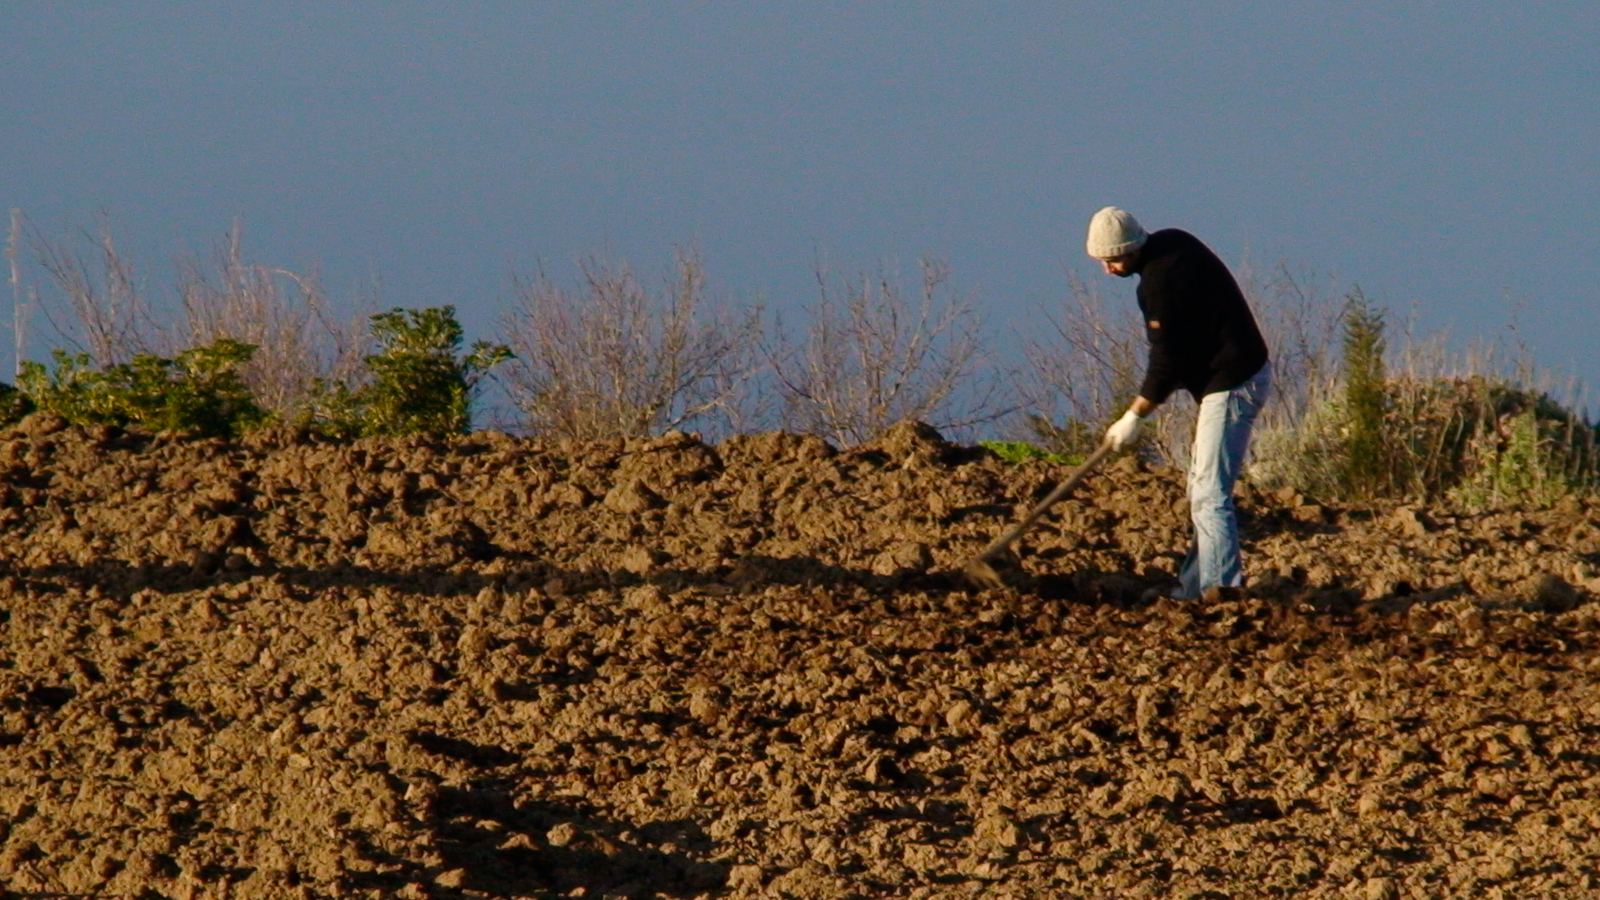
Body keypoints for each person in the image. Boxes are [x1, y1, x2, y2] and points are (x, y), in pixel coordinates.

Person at [1085, 206, 1271, 599]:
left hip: (1234, 383)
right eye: (1102, 261)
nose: (1108, 270)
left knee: (1209, 493)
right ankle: (1193, 590)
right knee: (1201, 489)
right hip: (1229, 379)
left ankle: (1220, 593)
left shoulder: (1158, 284)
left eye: (1112, 260)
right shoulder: (1175, 240)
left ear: (1132, 250)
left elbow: (1166, 361)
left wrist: (1134, 416)